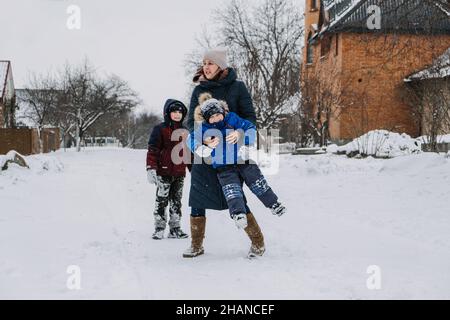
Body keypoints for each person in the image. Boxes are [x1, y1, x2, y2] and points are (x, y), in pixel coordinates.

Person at [183, 47, 266, 259]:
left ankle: (258, 243)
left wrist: (239, 132)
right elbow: (191, 122)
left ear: (221, 65)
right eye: (204, 63)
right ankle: (196, 244)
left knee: (236, 197)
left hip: (230, 154)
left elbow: (250, 117)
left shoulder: (238, 88)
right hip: (206, 154)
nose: (206, 67)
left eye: (210, 63)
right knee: (197, 198)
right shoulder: (198, 91)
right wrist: (202, 138)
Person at [188, 93, 287, 229]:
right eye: (211, 117)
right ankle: (238, 214)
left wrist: (241, 135)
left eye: (218, 114)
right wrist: (203, 146)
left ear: (223, 111)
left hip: (243, 160)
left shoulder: (232, 119)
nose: (216, 119)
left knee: (258, 182)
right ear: (206, 119)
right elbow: (190, 139)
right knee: (232, 190)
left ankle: (274, 204)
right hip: (224, 167)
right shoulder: (204, 128)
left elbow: (250, 128)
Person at [146, 99, 189, 240]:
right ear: (167, 113)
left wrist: (194, 169)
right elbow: (153, 150)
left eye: (180, 112)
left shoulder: (185, 131)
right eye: (174, 112)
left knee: (176, 201)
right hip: (163, 172)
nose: (177, 115)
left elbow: (188, 152)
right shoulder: (160, 129)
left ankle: (175, 228)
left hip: (179, 173)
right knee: (162, 200)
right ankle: (159, 228)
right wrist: (151, 167)